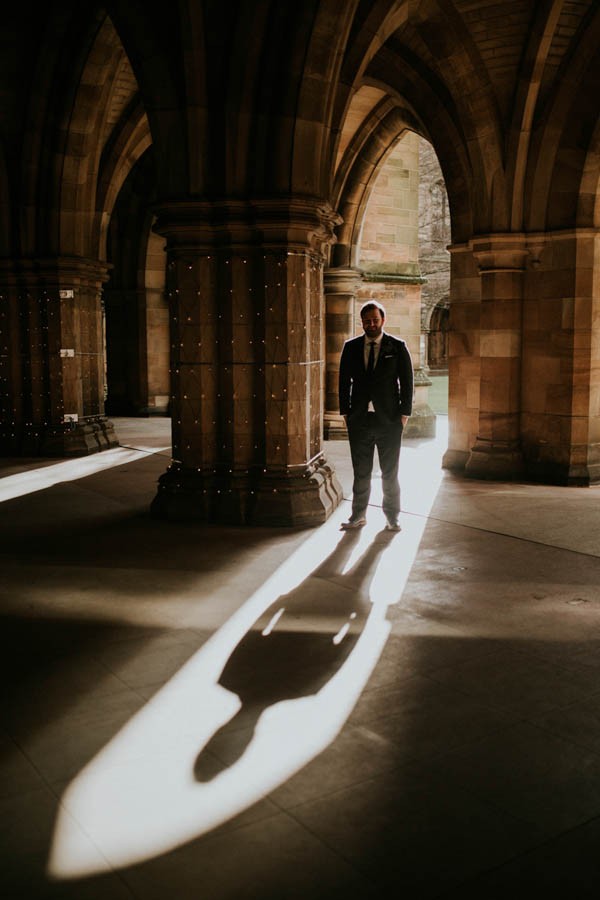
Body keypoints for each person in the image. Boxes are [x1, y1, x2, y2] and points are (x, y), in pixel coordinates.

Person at [338, 299, 413, 531]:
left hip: (389, 420)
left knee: (390, 472)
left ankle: (392, 517)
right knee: (361, 471)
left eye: (375, 320)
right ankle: (358, 515)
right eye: (366, 321)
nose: (371, 324)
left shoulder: (397, 347)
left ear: (383, 320)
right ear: (361, 322)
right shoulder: (350, 347)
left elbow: (407, 382)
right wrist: (346, 413)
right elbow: (343, 382)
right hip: (359, 419)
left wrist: (404, 415)